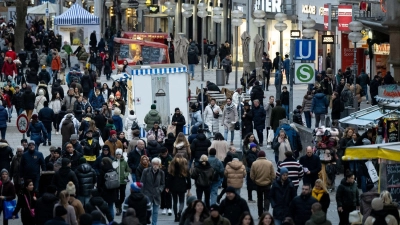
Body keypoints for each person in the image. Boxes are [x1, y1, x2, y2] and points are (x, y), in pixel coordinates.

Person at [166, 154, 191, 222]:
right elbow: (188, 177)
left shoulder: (172, 164)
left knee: (174, 201)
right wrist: (189, 186)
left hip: (173, 185)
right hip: (182, 185)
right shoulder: (184, 165)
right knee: (181, 201)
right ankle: (179, 213)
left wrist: (167, 186)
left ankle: (175, 216)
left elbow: (169, 177)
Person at [250, 150, 275, 217]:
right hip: (267, 184)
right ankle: (266, 212)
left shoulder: (254, 163)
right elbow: (273, 175)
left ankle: (260, 214)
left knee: (259, 199)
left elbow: (252, 175)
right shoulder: (269, 163)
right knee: (267, 199)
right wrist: (271, 181)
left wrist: (255, 181)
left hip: (258, 184)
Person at [141, 157, 165, 225]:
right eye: (154, 164)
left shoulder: (161, 172)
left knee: (155, 212)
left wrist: (159, 190)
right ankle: (145, 222)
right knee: (147, 211)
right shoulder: (146, 171)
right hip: (147, 194)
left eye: (157, 164)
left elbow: (163, 184)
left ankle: (154, 224)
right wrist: (142, 193)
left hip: (156, 195)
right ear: (151, 164)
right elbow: (142, 182)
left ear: (159, 165)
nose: (155, 165)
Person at [97, 157, 118, 221]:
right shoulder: (113, 170)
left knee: (103, 207)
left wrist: (99, 190)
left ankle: (103, 220)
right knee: (111, 206)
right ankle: (111, 221)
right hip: (112, 191)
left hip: (104, 191)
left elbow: (99, 182)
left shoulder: (102, 170)